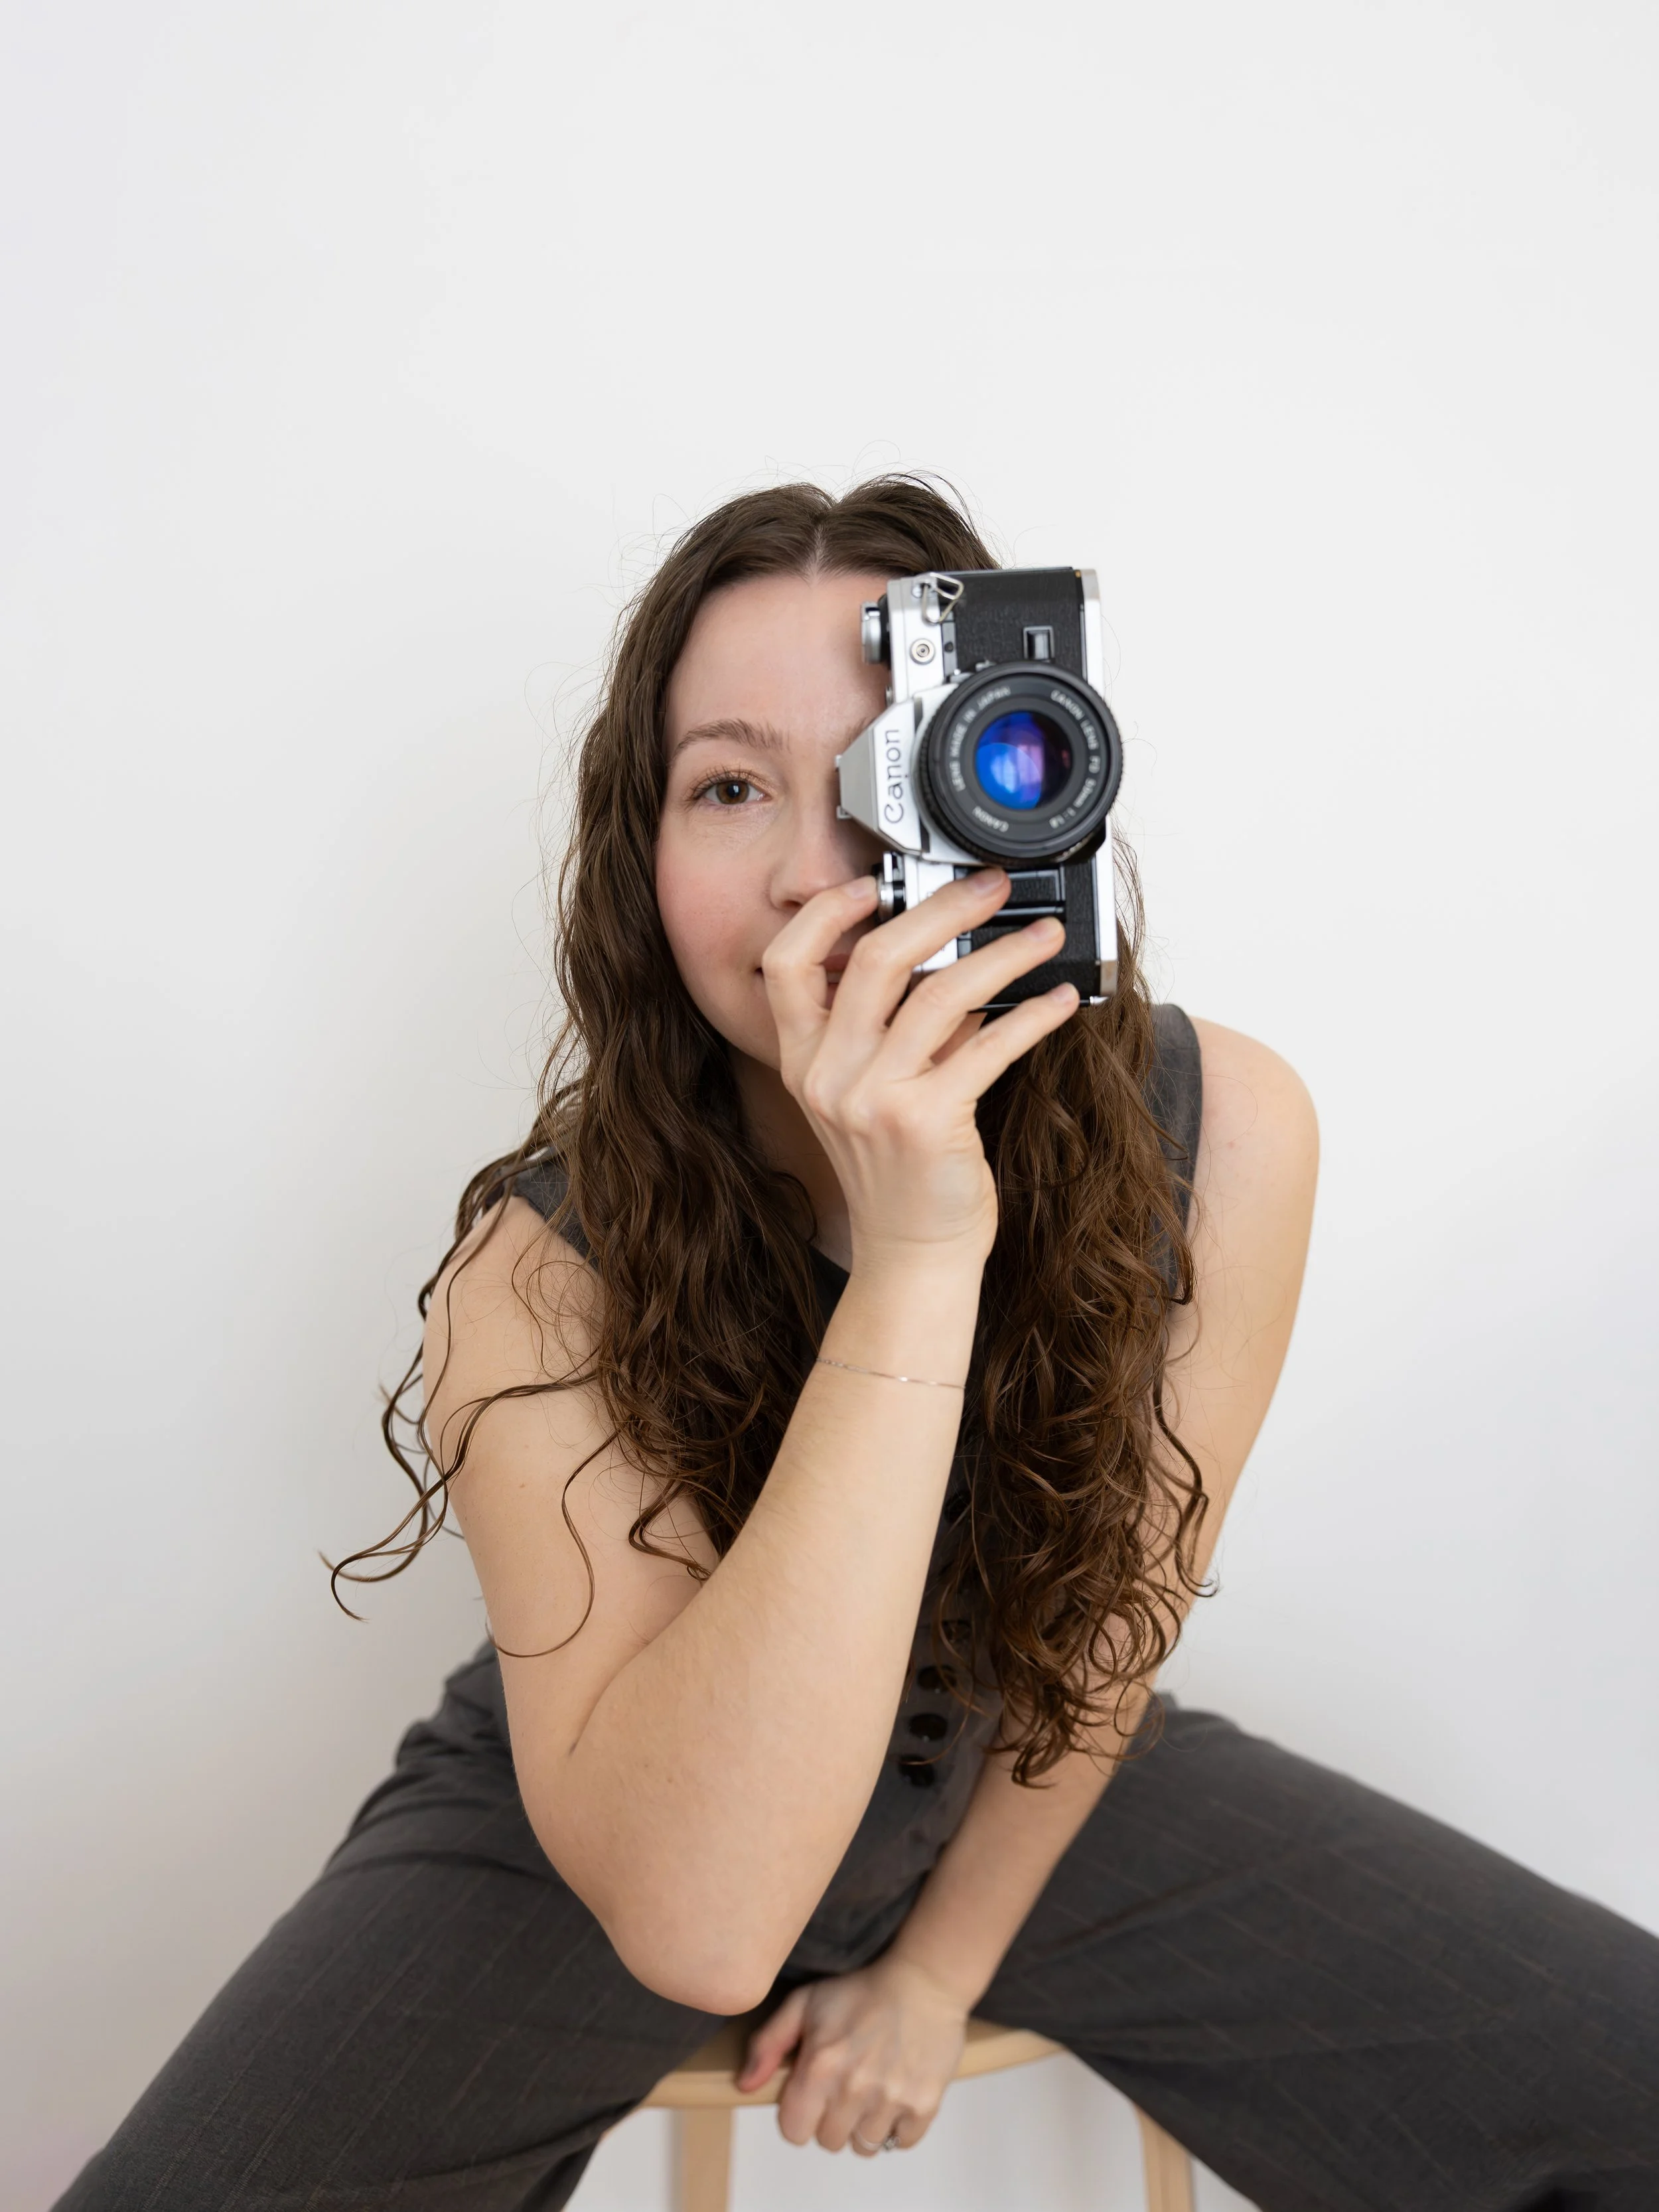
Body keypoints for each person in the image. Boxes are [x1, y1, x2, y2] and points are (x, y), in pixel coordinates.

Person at [58, 478, 1659, 2212]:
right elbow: (699, 1914)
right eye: (731, 785)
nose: (820, 867)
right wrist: (915, 1244)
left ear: (1021, 776)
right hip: (638, 1781)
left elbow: (1123, 1597)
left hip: (1027, 1752)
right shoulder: (537, 1272)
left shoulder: (1226, 1126)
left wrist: (933, 1963)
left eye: (893, 774)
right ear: (639, 852)